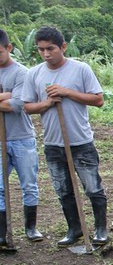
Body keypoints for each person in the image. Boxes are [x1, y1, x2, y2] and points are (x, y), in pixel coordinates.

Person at [21, 26, 108, 247]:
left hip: (80, 141)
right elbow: (28, 107)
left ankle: (100, 229)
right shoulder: (34, 74)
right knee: (63, 190)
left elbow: (98, 100)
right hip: (53, 143)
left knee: (92, 187)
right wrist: (48, 103)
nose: (46, 54)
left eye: (50, 48)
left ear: (63, 47)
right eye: (41, 50)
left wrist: (67, 92)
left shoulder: (80, 69)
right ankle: (75, 228)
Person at [0, 28, 43, 246]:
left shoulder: (21, 73)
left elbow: (18, 104)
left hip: (22, 137)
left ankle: (31, 228)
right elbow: (12, 99)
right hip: (0, 139)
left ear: (9, 48)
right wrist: (7, 95)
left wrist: (11, 98)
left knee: (29, 184)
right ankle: (3, 232)